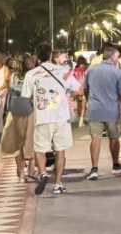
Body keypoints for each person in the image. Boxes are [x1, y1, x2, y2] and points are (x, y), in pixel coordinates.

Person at [21, 43, 81, 196]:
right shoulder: (63, 71)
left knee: (40, 149)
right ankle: (58, 183)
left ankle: (42, 173)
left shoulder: (31, 74)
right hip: (61, 117)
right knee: (60, 150)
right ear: (50, 55)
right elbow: (78, 89)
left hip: (42, 117)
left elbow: (25, 98)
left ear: (36, 57)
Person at [83, 44, 121, 180]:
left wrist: (89, 101)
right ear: (111, 57)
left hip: (94, 110)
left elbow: (85, 89)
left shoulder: (91, 70)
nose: (118, 60)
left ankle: (94, 168)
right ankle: (115, 164)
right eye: (117, 57)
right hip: (112, 110)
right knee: (114, 137)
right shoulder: (118, 73)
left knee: (95, 138)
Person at [2, 52, 38, 183]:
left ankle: (21, 174)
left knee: (18, 143)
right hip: (29, 110)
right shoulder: (33, 75)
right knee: (31, 141)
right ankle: (32, 171)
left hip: (15, 110)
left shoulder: (12, 76)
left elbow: (10, 91)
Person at [72, 56, 89, 126]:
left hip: (77, 89)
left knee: (79, 104)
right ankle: (81, 120)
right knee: (84, 105)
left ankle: (80, 118)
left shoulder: (74, 71)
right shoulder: (86, 70)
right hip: (84, 89)